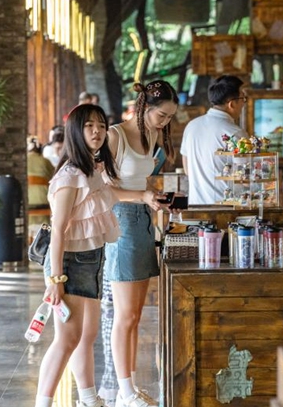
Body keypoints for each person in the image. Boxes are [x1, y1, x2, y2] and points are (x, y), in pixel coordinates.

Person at [35, 104, 121, 407]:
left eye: (101, 125)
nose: (97, 131)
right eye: (89, 126)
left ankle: (88, 399)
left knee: (87, 336)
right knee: (67, 340)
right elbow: (58, 230)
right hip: (69, 264)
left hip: (93, 259)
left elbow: (110, 197)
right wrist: (55, 280)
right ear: (75, 131)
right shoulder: (70, 175)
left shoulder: (91, 170)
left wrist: (147, 197)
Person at [105, 80, 179, 407]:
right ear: (144, 107)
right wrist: (142, 196)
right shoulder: (115, 135)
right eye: (161, 116)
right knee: (124, 315)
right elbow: (102, 189)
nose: (165, 122)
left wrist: (153, 199)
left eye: (169, 118)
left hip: (143, 220)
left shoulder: (152, 136)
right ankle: (124, 392)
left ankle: (130, 388)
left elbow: (138, 182)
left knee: (135, 315)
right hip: (121, 221)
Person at [180, 75, 249, 204]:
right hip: (226, 208)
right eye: (243, 99)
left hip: (196, 206)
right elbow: (245, 178)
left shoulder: (191, 126)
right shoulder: (235, 133)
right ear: (231, 104)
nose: (244, 104)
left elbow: (187, 170)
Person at [27, 135, 55, 234]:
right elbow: (54, 179)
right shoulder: (45, 161)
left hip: (27, 201)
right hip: (43, 201)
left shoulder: (23, 162)